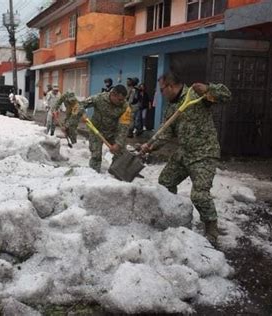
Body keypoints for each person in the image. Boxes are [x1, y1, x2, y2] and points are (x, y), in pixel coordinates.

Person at [140, 72, 231, 245]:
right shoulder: (170, 107)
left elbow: (226, 96)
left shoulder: (197, 94)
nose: (161, 93)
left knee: (199, 195)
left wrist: (209, 89)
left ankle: (211, 228)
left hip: (204, 153)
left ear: (171, 86)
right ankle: (172, 214)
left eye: (161, 89)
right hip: (184, 153)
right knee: (165, 182)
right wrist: (149, 146)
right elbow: (166, 132)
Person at [73, 84, 131, 172]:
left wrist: (118, 144)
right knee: (96, 155)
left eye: (123, 99)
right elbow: (79, 105)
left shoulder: (125, 106)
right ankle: (94, 174)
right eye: (119, 99)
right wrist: (82, 113)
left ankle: (115, 172)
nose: (121, 102)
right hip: (96, 130)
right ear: (113, 94)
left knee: (121, 152)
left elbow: (124, 127)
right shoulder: (99, 98)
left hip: (112, 132)